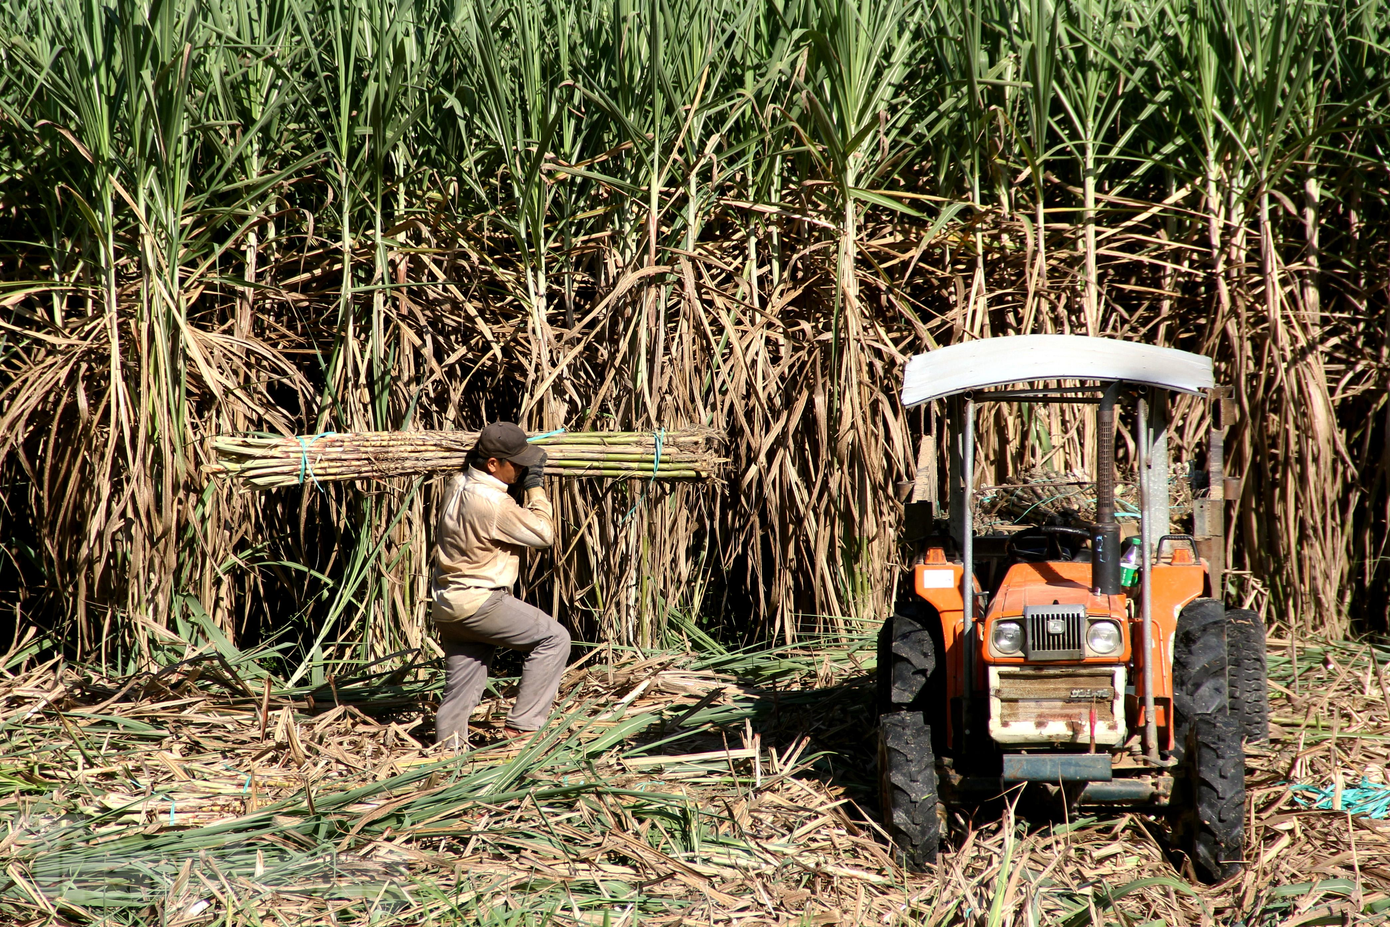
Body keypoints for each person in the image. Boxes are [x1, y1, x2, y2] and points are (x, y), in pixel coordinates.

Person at [431, 421, 571, 748]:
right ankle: (524, 728)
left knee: (461, 690)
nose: (521, 469)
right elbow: (543, 535)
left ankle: (447, 755)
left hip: (448, 607)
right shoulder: (493, 502)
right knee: (555, 639)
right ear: (493, 463)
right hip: (481, 603)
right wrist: (535, 488)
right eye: (517, 464)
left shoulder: (457, 484)